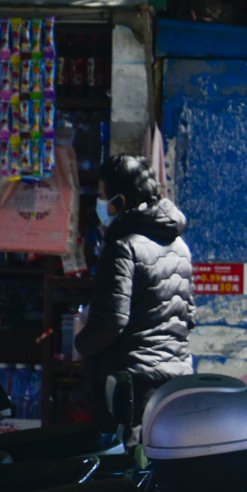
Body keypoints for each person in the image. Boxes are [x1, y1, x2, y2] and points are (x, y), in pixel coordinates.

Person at [77, 154, 195, 429]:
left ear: (121, 199)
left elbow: (111, 321)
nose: (100, 201)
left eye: (102, 193)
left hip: (131, 383)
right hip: (173, 378)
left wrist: (81, 345)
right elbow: (188, 315)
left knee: (125, 464)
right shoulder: (179, 245)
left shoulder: (123, 247)